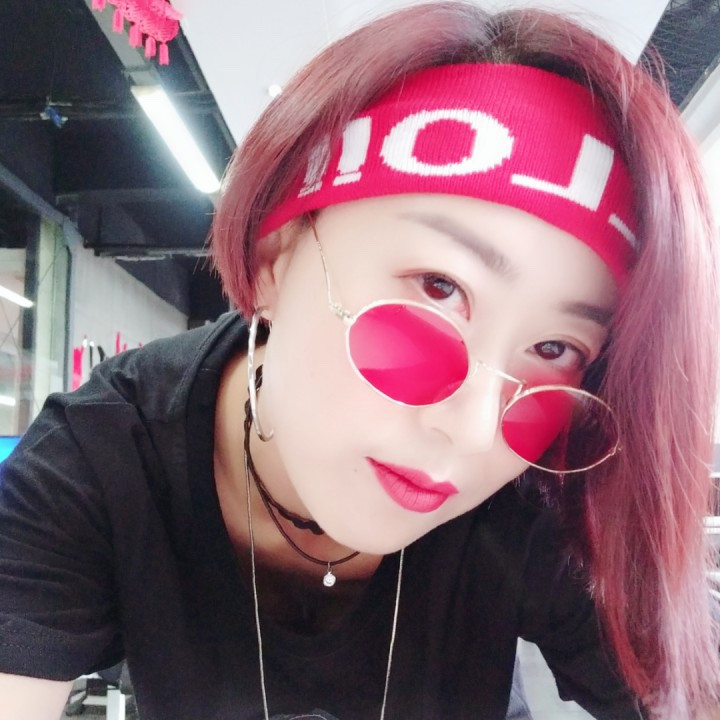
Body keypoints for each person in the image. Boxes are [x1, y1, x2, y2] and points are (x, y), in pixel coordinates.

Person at [1, 2, 718, 719]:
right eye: (438, 288)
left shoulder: (541, 489)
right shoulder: (101, 457)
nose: (474, 432)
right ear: (275, 258)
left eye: (553, 349)